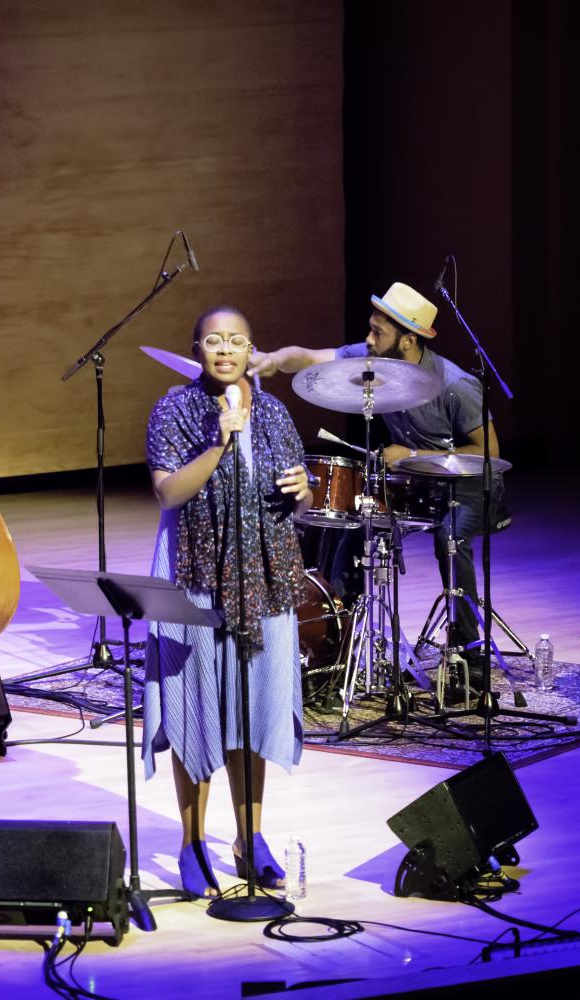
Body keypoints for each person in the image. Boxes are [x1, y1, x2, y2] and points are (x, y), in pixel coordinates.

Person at [250, 282, 505, 676]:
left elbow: (488, 456)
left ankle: (469, 652)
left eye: (377, 332)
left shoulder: (456, 385)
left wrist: (415, 456)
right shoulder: (374, 358)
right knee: (355, 524)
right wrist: (273, 358)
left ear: (407, 341)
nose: (368, 340)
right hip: (410, 485)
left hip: (466, 488)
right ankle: (339, 643)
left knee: (449, 539)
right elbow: (309, 358)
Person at [142, 307, 312, 899]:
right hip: (195, 578)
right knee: (196, 710)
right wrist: (220, 444)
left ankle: (250, 837)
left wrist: (303, 489)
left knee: (254, 709)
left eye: (237, 340)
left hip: (264, 580)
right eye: (214, 340)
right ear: (196, 348)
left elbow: (296, 491)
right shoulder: (176, 408)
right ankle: (191, 842)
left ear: (250, 349)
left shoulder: (273, 412)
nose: (225, 349)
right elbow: (168, 493)